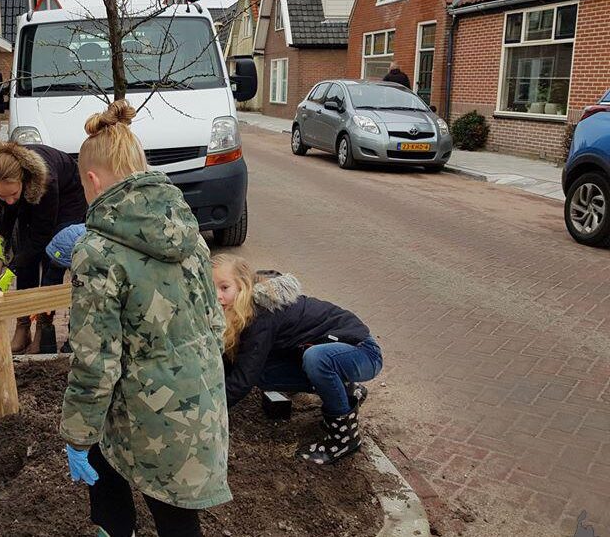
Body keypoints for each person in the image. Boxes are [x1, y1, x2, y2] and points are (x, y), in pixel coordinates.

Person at [61, 100, 230, 537]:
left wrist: (77, 433)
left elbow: (94, 359)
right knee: (175, 508)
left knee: (102, 462)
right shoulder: (187, 231)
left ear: (93, 180)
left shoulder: (97, 252)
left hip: (143, 406)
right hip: (201, 396)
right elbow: (216, 322)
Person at [211, 254, 383, 465]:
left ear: (243, 286)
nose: (217, 296)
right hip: (337, 354)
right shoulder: (241, 312)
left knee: (316, 358)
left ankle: (344, 438)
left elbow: (243, 379)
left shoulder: (260, 315)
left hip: (363, 351)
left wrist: (209, 412)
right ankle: (345, 388)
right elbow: (238, 362)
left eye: (224, 288)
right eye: (212, 289)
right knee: (265, 373)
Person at [0, 141, 87, 353]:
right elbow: (7, 210)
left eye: (13, 194)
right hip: (31, 195)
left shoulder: (45, 180)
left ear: (23, 179)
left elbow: (40, 235)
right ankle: (23, 326)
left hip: (67, 199)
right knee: (22, 253)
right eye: (3, 195)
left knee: (50, 255)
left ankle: (44, 328)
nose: (8, 200)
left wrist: (12, 269)